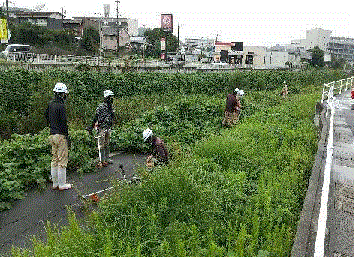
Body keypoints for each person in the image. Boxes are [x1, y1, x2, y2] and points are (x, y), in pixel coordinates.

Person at [45, 83, 71, 190]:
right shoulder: (61, 106)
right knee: (62, 160)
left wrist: (51, 125)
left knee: (54, 159)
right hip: (60, 135)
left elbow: (46, 115)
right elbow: (64, 122)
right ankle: (62, 184)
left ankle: (55, 183)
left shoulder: (50, 104)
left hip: (52, 134)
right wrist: (67, 136)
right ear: (62, 94)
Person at [87, 90, 115, 167]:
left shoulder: (111, 107)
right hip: (101, 128)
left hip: (108, 127)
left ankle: (107, 158)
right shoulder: (101, 107)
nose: (111, 99)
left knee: (107, 143)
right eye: (110, 97)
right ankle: (102, 160)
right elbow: (95, 117)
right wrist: (92, 126)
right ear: (106, 98)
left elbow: (113, 116)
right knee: (101, 145)